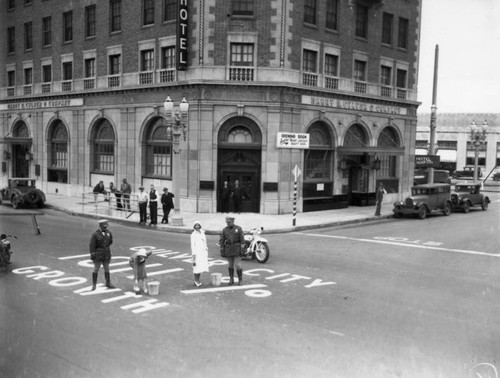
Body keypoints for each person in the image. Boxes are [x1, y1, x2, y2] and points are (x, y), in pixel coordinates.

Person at [89, 219, 115, 290]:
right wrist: (93, 254)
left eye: (106, 226)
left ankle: (108, 282)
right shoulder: (95, 234)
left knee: (107, 268)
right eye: (104, 227)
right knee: (96, 269)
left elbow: (110, 241)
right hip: (98, 254)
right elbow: (92, 245)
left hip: (106, 254)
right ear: (100, 226)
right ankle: (94, 285)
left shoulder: (109, 233)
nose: (105, 228)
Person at [219, 216, 245, 286]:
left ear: (233, 221)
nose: (228, 223)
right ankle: (231, 279)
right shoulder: (224, 230)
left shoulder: (238, 229)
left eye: (229, 222)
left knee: (238, 265)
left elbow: (242, 241)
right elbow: (221, 241)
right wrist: (222, 250)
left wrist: (242, 250)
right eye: (227, 222)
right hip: (228, 249)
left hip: (237, 249)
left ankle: (240, 279)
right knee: (230, 265)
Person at [190, 221, 209, 287]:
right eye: (195, 225)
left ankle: (198, 280)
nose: (197, 226)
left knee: (200, 267)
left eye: (198, 225)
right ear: (194, 226)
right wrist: (194, 254)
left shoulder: (202, 233)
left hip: (203, 252)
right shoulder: (193, 234)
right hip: (197, 252)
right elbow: (192, 245)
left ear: (200, 226)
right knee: (196, 267)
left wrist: (206, 248)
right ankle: (196, 280)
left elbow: (204, 242)